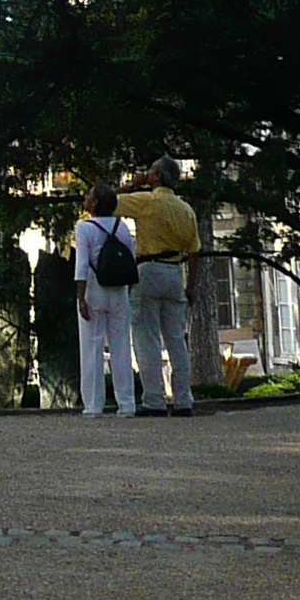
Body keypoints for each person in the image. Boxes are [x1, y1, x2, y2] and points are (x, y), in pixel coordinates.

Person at [115, 161, 201, 414]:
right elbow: (194, 251)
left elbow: (106, 201)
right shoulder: (186, 209)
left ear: (157, 176)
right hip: (175, 271)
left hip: (148, 269)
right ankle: (184, 400)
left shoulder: (146, 201)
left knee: (147, 339)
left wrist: (133, 184)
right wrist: (192, 286)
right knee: (176, 339)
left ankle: (154, 400)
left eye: (151, 170)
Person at [69, 184, 139, 416]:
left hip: (94, 288)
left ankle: (93, 404)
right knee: (121, 347)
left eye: (89, 195)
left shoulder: (85, 229)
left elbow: (81, 264)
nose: (86, 198)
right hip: (119, 289)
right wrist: (128, 290)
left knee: (91, 347)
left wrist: (81, 297)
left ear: (95, 202)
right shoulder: (123, 227)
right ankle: (127, 403)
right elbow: (130, 259)